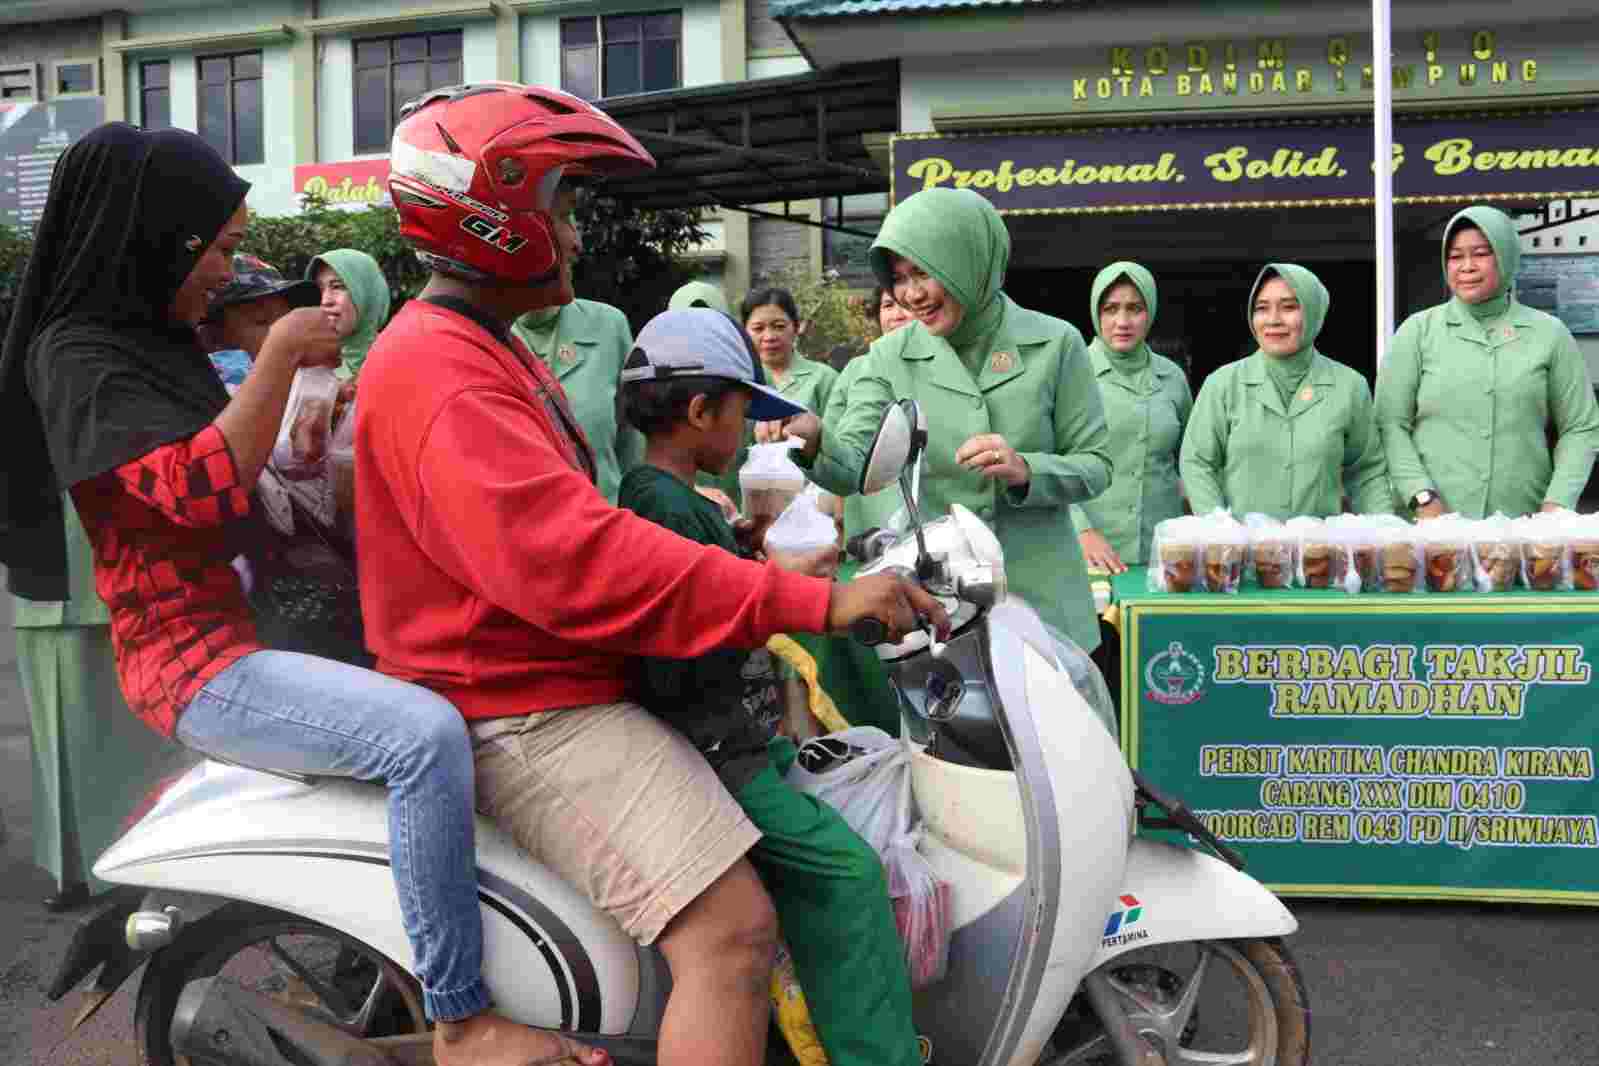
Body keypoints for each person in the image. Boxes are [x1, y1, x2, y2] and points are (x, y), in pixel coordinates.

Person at [356, 83, 946, 1066]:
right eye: (559, 208)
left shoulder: (472, 351)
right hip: (525, 709)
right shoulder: (444, 369)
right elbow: (581, 558)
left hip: (554, 685)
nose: (574, 236)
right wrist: (821, 601)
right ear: (493, 216)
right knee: (733, 929)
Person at [0, 122, 583, 1066]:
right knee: (419, 736)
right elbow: (196, 490)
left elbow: (262, 473)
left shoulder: (159, 340)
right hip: (196, 660)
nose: (229, 272)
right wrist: (277, 356)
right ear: (167, 240)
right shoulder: (79, 355)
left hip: (256, 629)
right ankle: (463, 1015)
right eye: (221, 250)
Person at [617, 307, 920, 1066]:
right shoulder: (661, 503)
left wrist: (755, 563)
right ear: (697, 413)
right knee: (849, 875)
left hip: (738, 736)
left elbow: (712, 591)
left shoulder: (673, 499)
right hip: (720, 746)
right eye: (741, 410)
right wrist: (772, 588)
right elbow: (698, 621)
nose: (752, 429)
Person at [780, 186, 1113, 653]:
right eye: (898, 278)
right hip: (940, 610)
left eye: (923, 272)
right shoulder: (888, 357)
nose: (910, 295)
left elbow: (1096, 465)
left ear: (968, 260)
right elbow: (856, 464)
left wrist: (1027, 471)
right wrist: (815, 441)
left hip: (1045, 605)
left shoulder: (1057, 343)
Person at [1375, 205, 1599, 519]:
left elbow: (1581, 426)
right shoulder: (1418, 331)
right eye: (1455, 256)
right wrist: (1421, 495)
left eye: (1480, 253)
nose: (1466, 267)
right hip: (1432, 529)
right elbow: (1389, 424)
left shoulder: (1550, 334)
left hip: (1522, 525)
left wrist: (1557, 503)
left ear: (1506, 256)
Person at [1180, 263, 1394, 520]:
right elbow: (1197, 463)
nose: (1273, 320)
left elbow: (1366, 472)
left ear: (1314, 312)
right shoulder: (1223, 384)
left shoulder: (1349, 386)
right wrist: (1218, 530)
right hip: (1243, 553)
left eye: (1289, 307)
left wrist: (1384, 532)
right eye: (1262, 308)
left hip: (1318, 553)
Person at [1072, 262, 1192, 574]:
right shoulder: (1072, 372)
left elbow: (1192, 461)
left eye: (1134, 309)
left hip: (1164, 555)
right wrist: (1081, 530)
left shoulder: (1172, 378)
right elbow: (1047, 463)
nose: (1122, 321)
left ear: (1149, 312)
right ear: (1096, 312)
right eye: (1111, 309)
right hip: (1092, 556)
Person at [510, 234, 641, 503]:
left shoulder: (609, 326)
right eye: (562, 216)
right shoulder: (478, 335)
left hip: (607, 529)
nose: (577, 241)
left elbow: (632, 442)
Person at [308, 248, 390, 380]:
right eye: (319, 289)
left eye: (337, 286)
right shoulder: (308, 367)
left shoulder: (398, 362)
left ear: (368, 294)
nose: (325, 301)